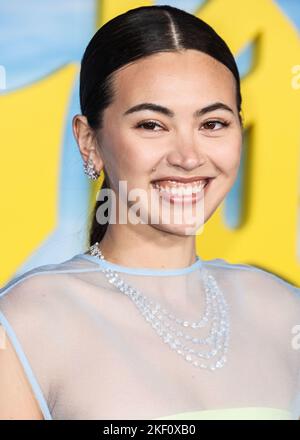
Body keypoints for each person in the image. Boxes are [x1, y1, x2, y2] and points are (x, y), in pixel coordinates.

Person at [0, 5, 299, 421]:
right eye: (152, 125)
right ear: (89, 141)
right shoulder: (22, 324)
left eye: (212, 123)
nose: (189, 157)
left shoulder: (283, 310)